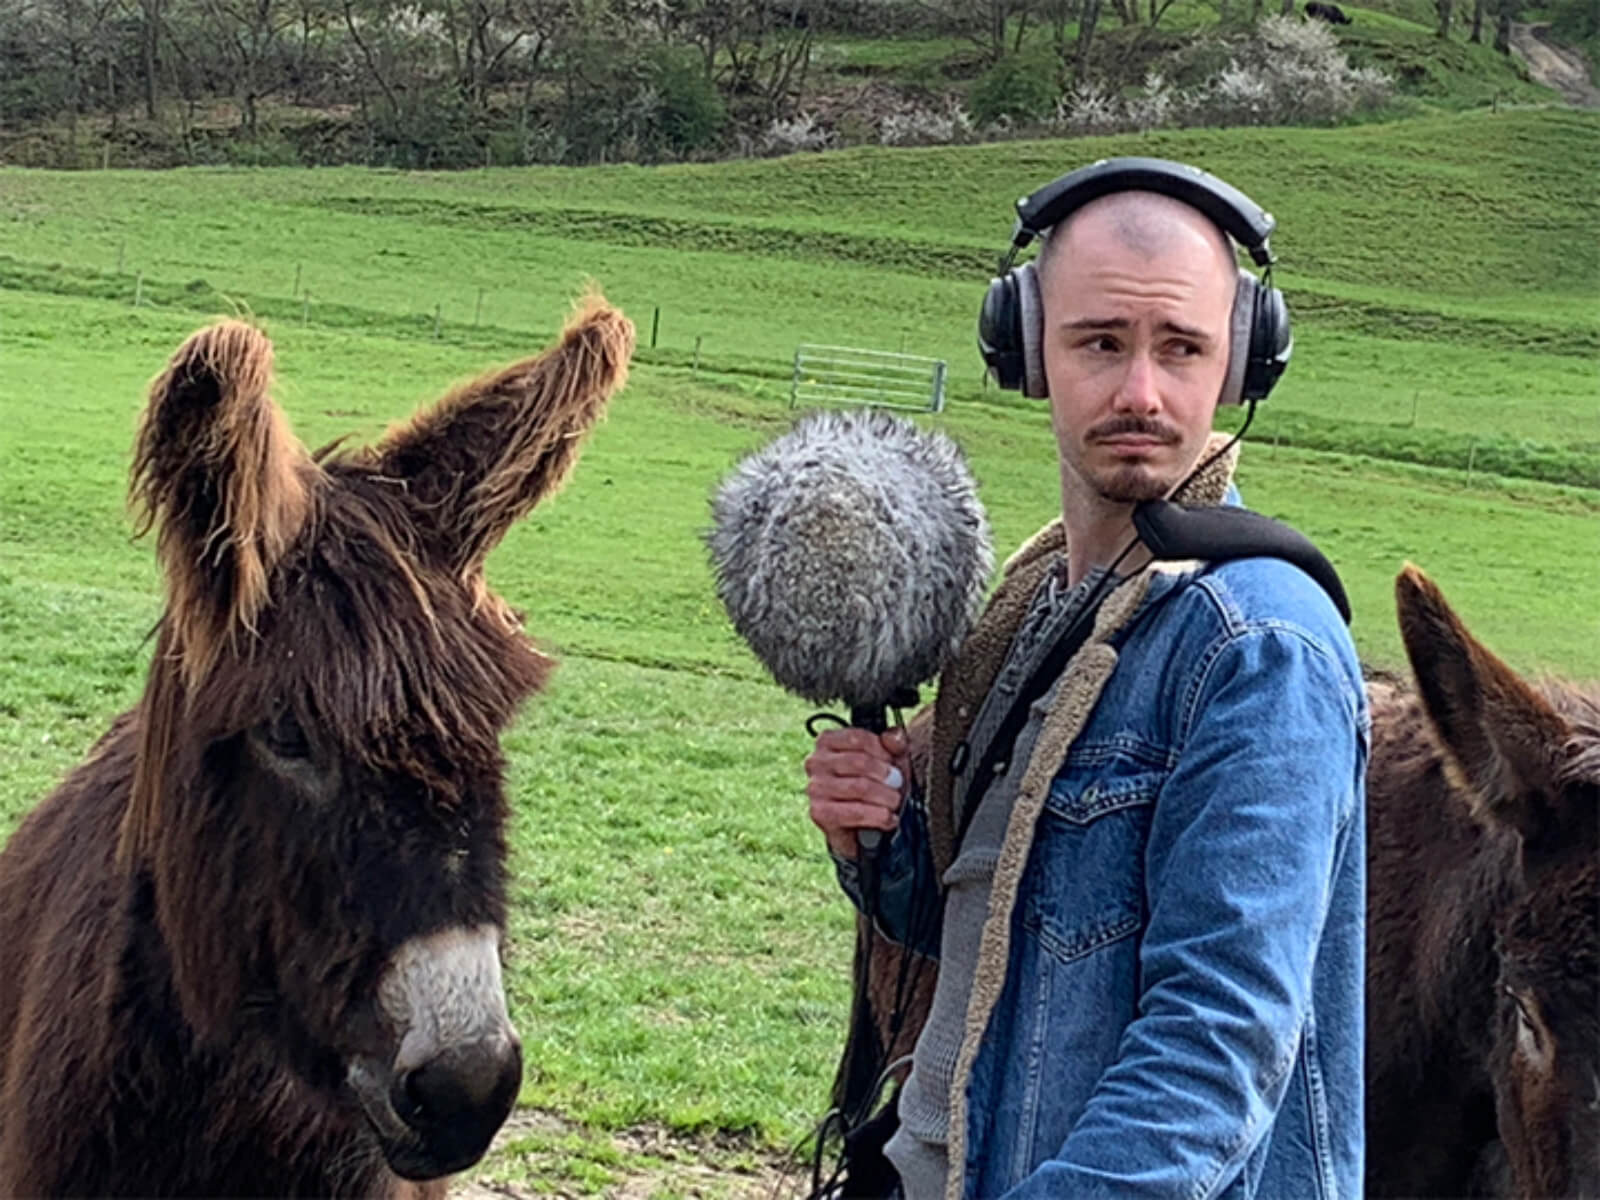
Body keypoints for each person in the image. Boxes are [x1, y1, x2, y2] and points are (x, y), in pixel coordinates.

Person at [804, 160, 1368, 1199]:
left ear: (1243, 363)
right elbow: (1010, 950)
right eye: (1100, 342)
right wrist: (881, 847)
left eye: (1182, 348)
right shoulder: (1039, 615)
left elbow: (1213, 1055)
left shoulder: (1255, 649)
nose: (1141, 392)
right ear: (1025, 349)